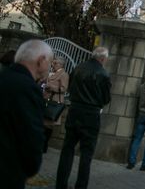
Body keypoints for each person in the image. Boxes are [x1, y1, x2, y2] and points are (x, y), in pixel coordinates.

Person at [0, 40, 53, 189]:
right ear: (41, 61)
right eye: (49, 61)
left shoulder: (4, 77)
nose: (49, 66)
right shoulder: (28, 89)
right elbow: (31, 136)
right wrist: (30, 167)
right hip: (8, 172)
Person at [56, 47, 112, 189]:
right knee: (86, 154)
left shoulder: (79, 68)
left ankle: (60, 184)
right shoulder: (103, 74)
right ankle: (80, 186)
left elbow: (70, 87)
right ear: (102, 58)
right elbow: (106, 98)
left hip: (74, 110)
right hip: (91, 115)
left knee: (67, 149)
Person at [43, 57, 70, 153]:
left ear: (60, 65)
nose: (52, 65)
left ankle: (44, 145)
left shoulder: (64, 74)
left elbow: (63, 88)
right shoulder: (51, 73)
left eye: (55, 63)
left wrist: (51, 87)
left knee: (49, 124)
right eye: (53, 63)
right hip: (46, 99)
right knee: (43, 123)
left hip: (54, 101)